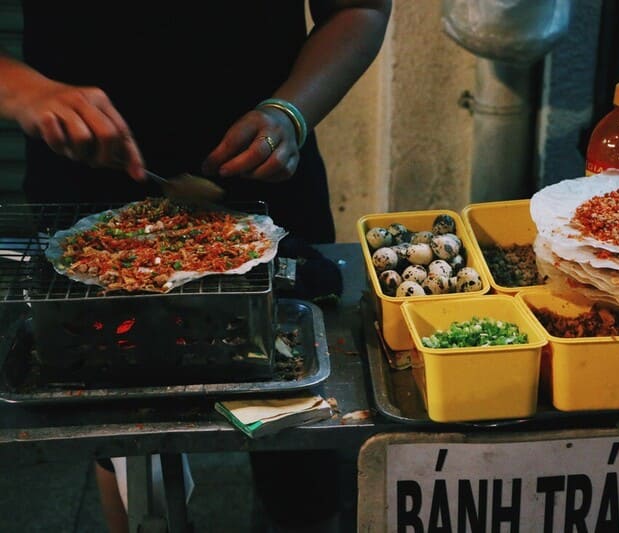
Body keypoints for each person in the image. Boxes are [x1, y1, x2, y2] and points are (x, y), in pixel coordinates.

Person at [0, 1, 391, 531]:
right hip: (84, 181)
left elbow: (358, 8)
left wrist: (290, 112)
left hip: (265, 166)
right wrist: (23, 90)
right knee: (122, 438)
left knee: (299, 441)